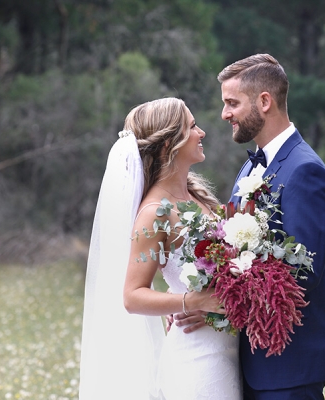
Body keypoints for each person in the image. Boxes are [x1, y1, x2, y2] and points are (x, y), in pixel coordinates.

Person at [79, 97, 242, 399]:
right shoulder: (155, 212)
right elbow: (132, 296)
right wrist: (191, 301)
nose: (202, 132)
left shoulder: (198, 197)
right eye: (193, 127)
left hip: (228, 351)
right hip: (198, 361)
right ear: (170, 145)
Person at [219, 53, 325, 399]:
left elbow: (304, 271)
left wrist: (220, 300)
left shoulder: (305, 170)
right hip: (250, 360)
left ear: (265, 101)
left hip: (289, 365)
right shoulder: (250, 168)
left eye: (232, 103)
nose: (225, 114)